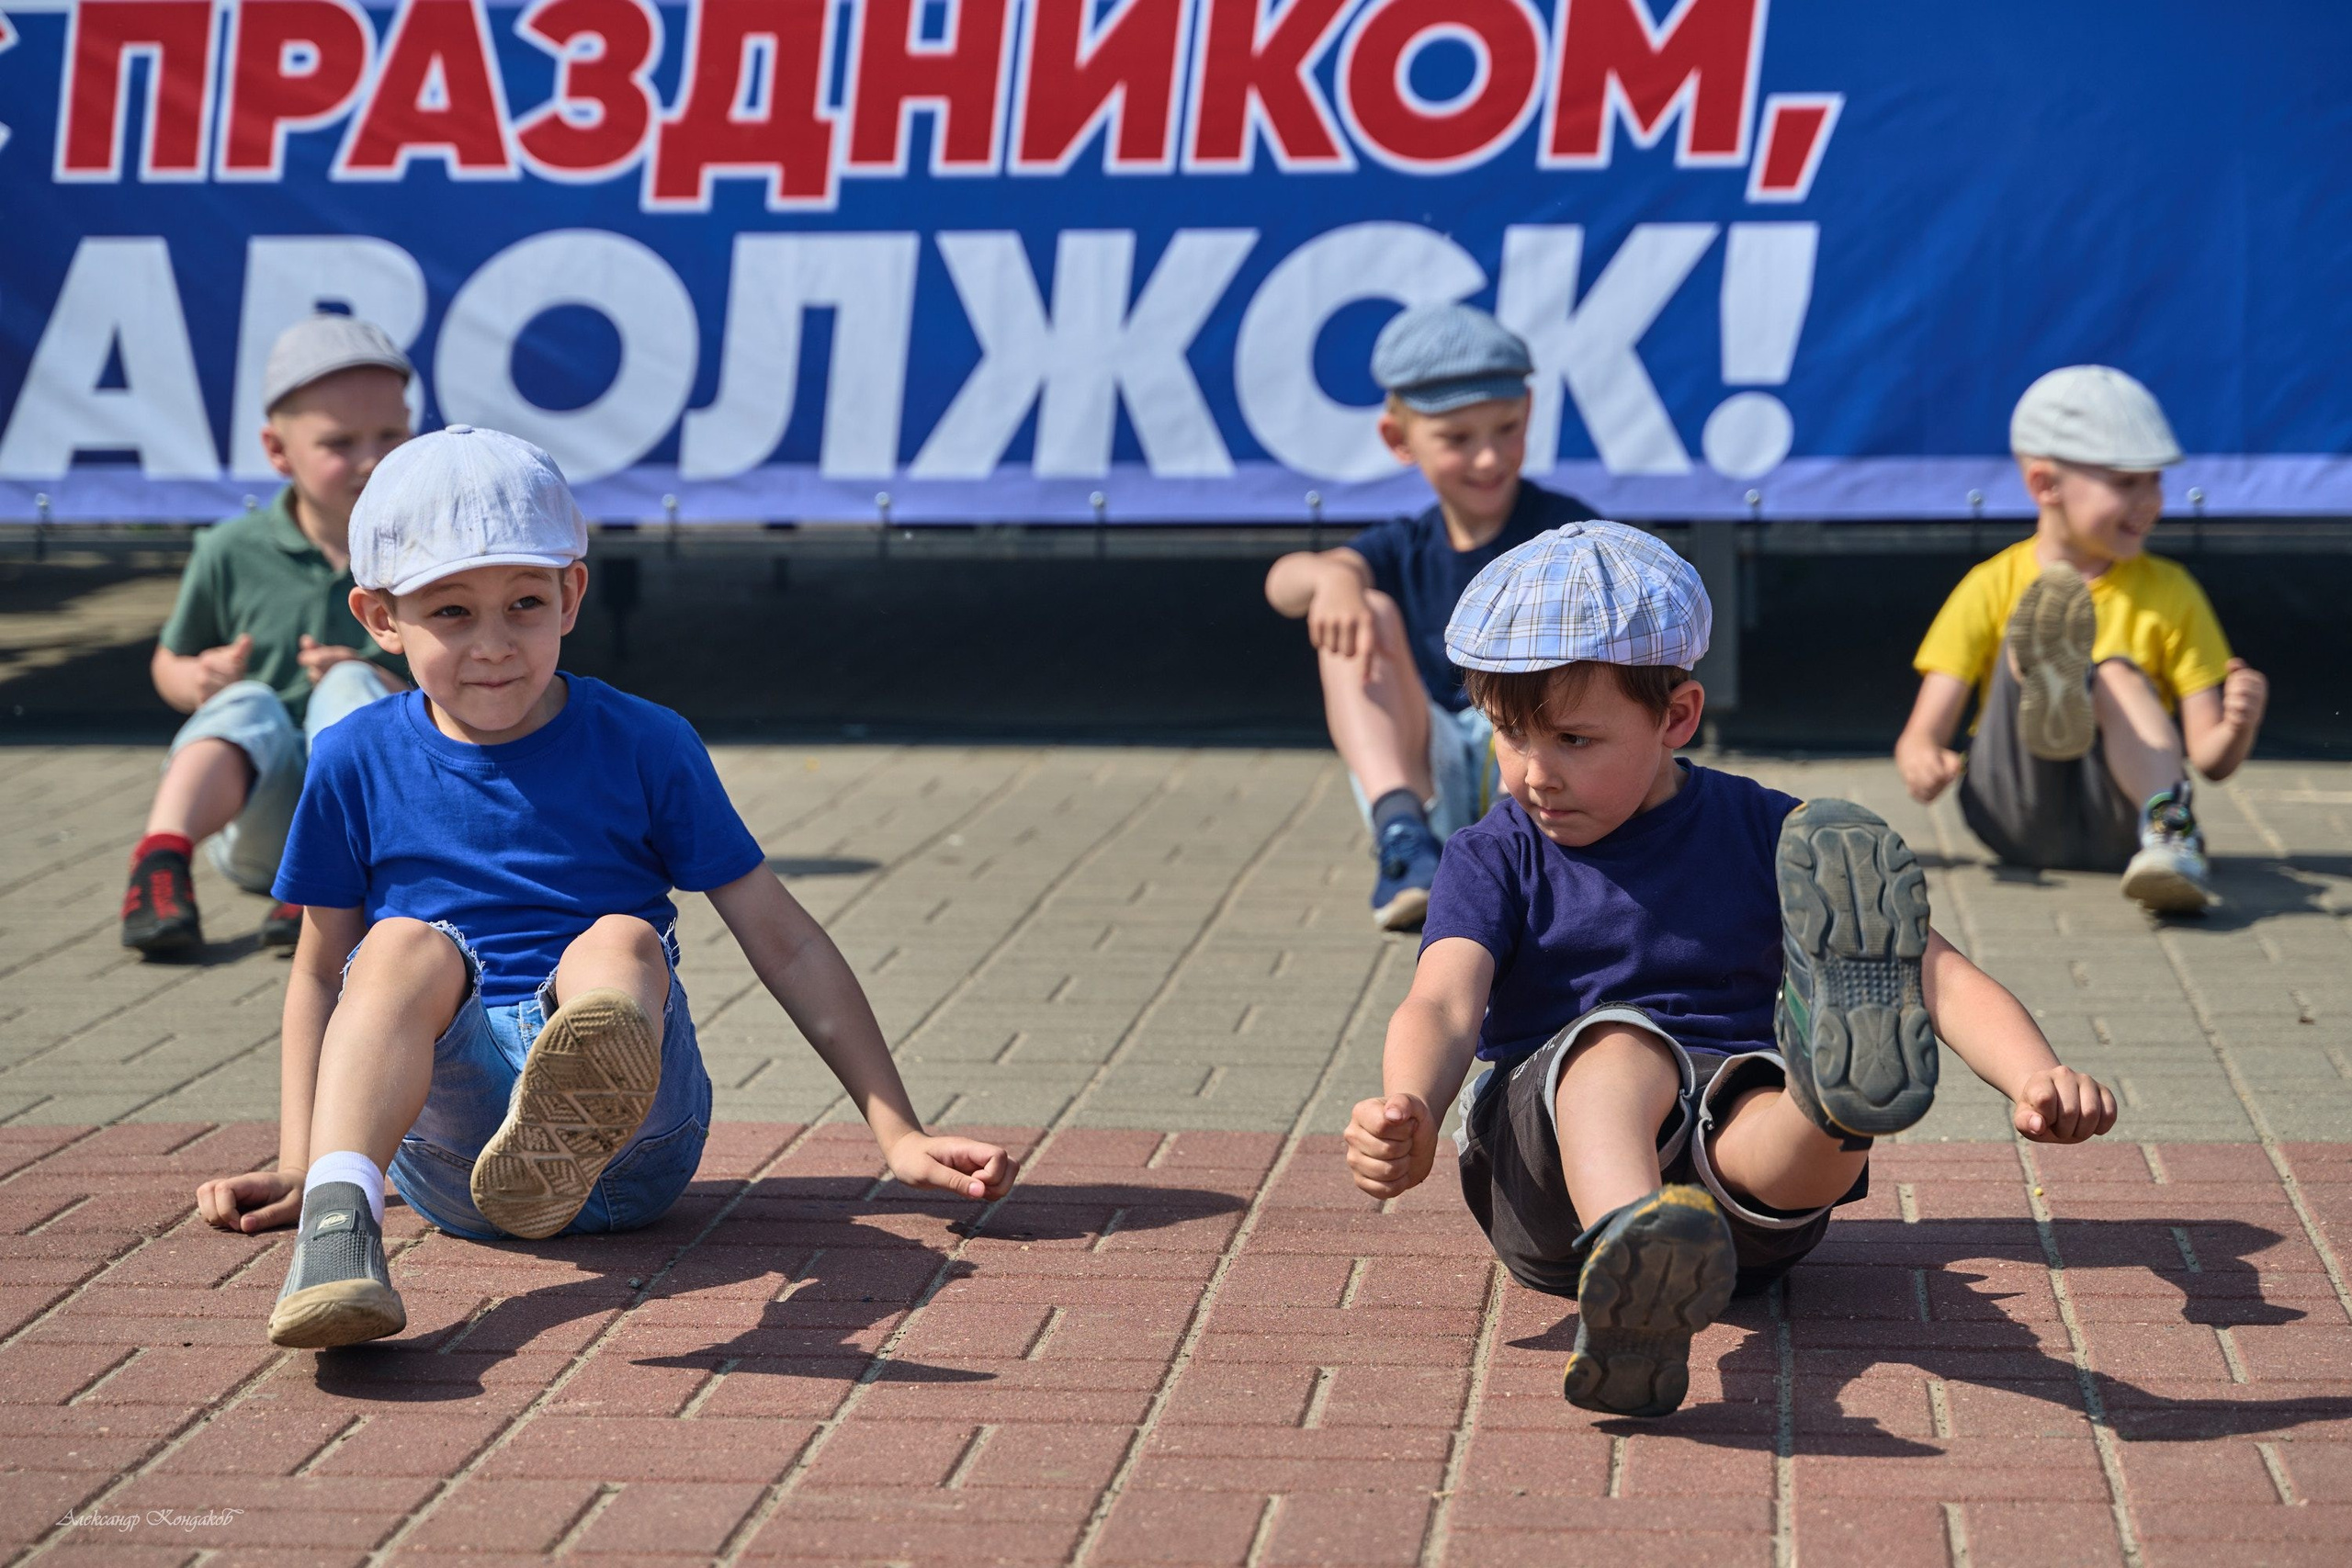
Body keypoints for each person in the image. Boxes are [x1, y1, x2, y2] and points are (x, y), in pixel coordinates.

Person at [192, 425, 1017, 1350]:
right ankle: (339, 1224)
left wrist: (897, 1131)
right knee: (394, 948)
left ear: (572, 595)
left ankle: (585, 1085)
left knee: (620, 939)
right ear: (380, 618)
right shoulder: (353, 756)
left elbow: (784, 940)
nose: (494, 644)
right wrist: (301, 1158)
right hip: (452, 1155)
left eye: (524, 604)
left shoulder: (646, 741)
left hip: (637, 1154)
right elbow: (318, 974)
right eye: (451, 612)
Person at [1341, 523, 2119, 1419]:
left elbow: (1931, 972)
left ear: (1676, 717)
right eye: (1509, 737)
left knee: (1772, 1103)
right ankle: (1632, 1249)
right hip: (1552, 1183)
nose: (1532, 775)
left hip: (1738, 1210)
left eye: (1573, 740)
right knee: (1618, 1048)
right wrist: (1410, 1103)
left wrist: (2035, 1075)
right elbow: (1442, 1004)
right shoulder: (1494, 853)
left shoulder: (1776, 835)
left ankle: (1828, 1106)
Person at [1264, 304, 1593, 931]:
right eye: (1458, 439)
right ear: (1399, 439)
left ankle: (1525, 857)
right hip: (1432, 768)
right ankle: (1403, 840)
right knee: (1360, 607)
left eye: (1506, 428)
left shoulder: (1567, 531)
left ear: (1528, 412)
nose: (1489, 458)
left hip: (1538, 767)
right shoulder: (1405, 543)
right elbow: (1283, 583)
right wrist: (1334, 578)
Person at [1895, 366, 2268, 912]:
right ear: (2045, 485)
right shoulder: (1990, 584)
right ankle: (2052, 678)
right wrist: (1924, 763)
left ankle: (2168, 832)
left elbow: (2210, 758)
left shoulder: (2172, 590)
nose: (2150, 500)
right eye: (2126, 483)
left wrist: (2239, 726)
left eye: (2154, 480)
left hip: (2121, 821)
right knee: (2035, 644)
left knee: (2109, 672)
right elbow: (1920, 737)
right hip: (2013, 807)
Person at [120, 315, 416, 957]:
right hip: (260, 822)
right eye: (340, 442)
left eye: (390, 435)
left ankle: (328, 873)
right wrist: (196, 679)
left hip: (382, 830)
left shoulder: (433, 552)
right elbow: (169, 659)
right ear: (278, 451)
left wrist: (377, 675)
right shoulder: (231, 550)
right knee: (246, 702)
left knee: (350, 684)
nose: (371, 460)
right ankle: (160, 863)